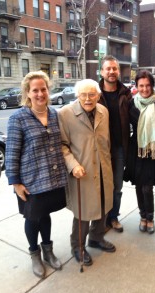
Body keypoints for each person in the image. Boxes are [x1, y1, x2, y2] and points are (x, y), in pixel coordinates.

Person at [5, 71, 67, 278]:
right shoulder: (18, 118)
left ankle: (48, 251)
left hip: (52, 178)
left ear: (48, 91)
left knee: (45, 214)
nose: (40, 93)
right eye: (35, 90)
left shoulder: (55, 114)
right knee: (32, 218)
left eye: (43, 89)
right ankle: (35, 254)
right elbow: (12, 152)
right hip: (30, 181)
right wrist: (15, 183)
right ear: (28, 93)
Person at [58, 79, 116, 267]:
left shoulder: (103, 111)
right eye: (83, 94)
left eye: (92, 94)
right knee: (82, 211)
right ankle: (78, 246)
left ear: (98, 96)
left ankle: (96, 238)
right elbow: (62, 145)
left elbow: (106, 140)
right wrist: (72, 165)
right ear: (78, 95)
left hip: (103, 166)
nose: (88, 98)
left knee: (103, 205)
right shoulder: (65, 114)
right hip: (81, 170)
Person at [124, 70, 155, 234]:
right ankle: (142, 216)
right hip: (136, 149)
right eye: (141, 85)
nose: (145, 89)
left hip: (151, 150)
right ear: (136, 86)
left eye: (148, 85)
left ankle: (150, 217)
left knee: (147, 187)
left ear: (152, 86)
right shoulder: (131, 104)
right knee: (139, 186)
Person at [99, 55, 132, 233]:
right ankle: (101, 220)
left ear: (118, 71)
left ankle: (113, 217)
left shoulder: (126, 94)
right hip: (99, 150)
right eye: (108, 68)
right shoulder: (94, 94)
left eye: (114, 68)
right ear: (102, 71)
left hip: (119, 148)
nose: (112, 72)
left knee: (117, 187)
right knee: (101, 187)